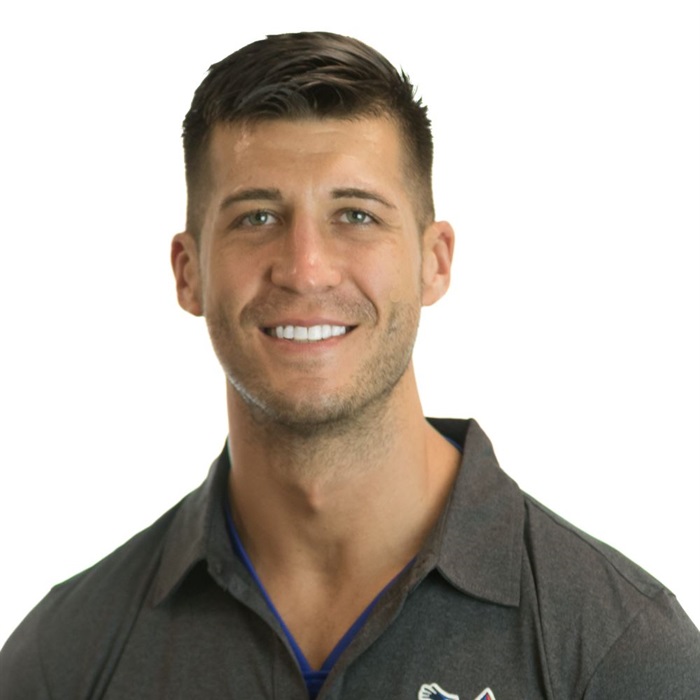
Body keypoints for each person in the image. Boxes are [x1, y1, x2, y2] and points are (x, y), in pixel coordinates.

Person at [1, 31, 698, 700]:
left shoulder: (621, 655)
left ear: (434, 262)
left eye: (357, 215)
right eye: (256, 217)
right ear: (189, 273)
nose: (306, 268)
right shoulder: (64, 661)